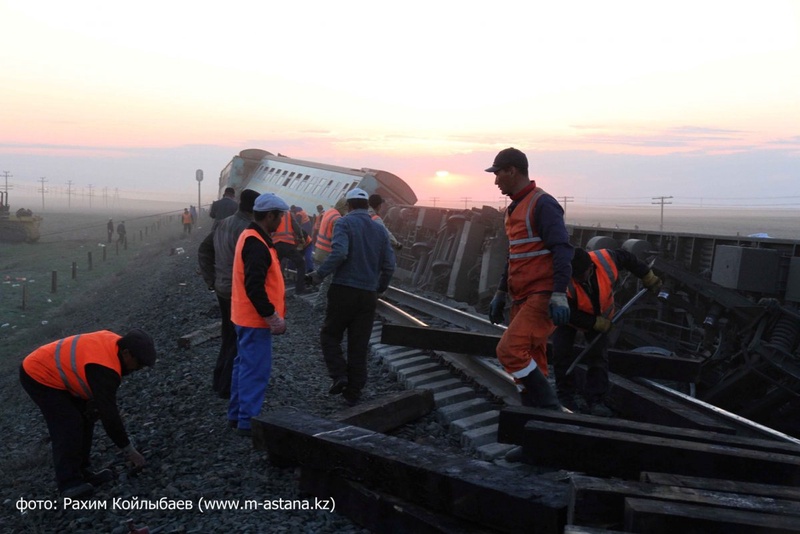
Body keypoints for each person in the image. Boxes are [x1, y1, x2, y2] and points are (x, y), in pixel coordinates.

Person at [19, 329, 156, 498]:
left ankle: (82, 473)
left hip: (59, 372)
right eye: (139, 364)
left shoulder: (116, 346)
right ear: (127, 354)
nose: (139, 369)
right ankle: (68, 484)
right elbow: (110, 416)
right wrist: (129, 450)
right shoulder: (105, 368)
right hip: (38, 373)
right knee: (68, 423)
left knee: (87, 417)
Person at [485, 147, 572, 410]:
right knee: (532, 362)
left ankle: (551, 411)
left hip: (542, 296)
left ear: (512, 171)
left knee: (509, 351)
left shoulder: (542, 203)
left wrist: (558, 293)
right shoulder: (513, 209)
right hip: (521, 297)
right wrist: (501, 292)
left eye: (498, 173)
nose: (495, 180)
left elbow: (562, 249)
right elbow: (515, 255)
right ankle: (537, 434)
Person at [307, 188, 396, 406]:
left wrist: (319, 275)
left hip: (343, 290)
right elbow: (389, 265)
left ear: (349, 206)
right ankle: (353, 392)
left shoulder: (344, 223)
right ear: (367, 207)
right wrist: (379, 288)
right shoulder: (380, 230)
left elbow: (339, 253)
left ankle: (339, 375)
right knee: (359, 344)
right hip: (368, 295)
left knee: (330, 335)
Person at [553, 247, 662, 415]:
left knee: (598, 357)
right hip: (570, 318)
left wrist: (646, 274)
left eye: (580, 275)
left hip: (601, 315)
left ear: (590, 268)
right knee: (561, 353)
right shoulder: (563, 277)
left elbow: (627, 258)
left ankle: (596, 400)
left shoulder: (605, 259)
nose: (578, 279)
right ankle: (565, 396)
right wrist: (594, 323)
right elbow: (568, 312)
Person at [229, 192, 289, 436]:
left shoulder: (251, 236)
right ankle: (247, 423)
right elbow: (255, 287)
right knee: (255, 371)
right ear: (270, 215)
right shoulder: (256, 243)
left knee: (243, 366)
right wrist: (271, 316)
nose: (282, 221)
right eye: (280, 216)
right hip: (254, 320)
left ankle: (236, 416)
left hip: (243, 316)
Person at [197, 189, 260, 398]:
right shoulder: (248, 230)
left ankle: (218, 380)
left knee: (228, 336)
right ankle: (226, 387)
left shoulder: (222, 223)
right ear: (255, 208)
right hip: (237, 292)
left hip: (222, 289)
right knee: (237, 339)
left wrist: (210, 279)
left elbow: (204, 249)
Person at [311, 197, 347, 311]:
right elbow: (336, 238)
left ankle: (322, 304)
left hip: (320, 250)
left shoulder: (329, 212)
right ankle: (319, 306)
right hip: (327, 253)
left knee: (325, 281)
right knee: (327, 282)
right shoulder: (337, 218)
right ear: (344, 207)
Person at [271, 207, 308, 295]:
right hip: (288, 244)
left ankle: (274, 289)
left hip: (276, 244)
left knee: (275, 266)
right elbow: (296, 227)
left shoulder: (270, 212)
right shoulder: (288, 213)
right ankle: (299, 289)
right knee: (301, 263)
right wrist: (301, 237)